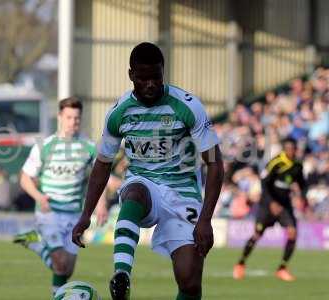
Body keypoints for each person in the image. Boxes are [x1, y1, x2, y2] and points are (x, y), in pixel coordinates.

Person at [72, 42, 224, 300]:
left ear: (163, 72)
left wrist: (206, 218)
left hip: (182, 193)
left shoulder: (187, 106)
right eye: (143, 78)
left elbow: (215, 164)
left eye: (156, 77)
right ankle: (122, 275)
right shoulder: (119, 113)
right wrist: (86, 214)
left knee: (190, 282)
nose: (151, 83)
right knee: (133, 191)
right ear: (131, 74)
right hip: (145, 183)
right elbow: (102, 164)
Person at [13, 97, 109, 296]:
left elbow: (97, 180)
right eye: (68, 117)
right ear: (59, 117)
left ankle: (35, 242)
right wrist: (38, 197)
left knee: (67, 270)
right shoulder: (44, 146)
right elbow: (25, 179)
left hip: (75, 215)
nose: (73, 121)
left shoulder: (89, 147)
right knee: (60, 263)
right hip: (49, 213)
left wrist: (101, 205)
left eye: (76, 118)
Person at [233, 137, 308, 281]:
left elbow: (303, 184)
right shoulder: (276, 163)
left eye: (293, 149)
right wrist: (271, 203)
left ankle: (282, 268)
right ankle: (240, 263)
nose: (291, 152)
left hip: (285, 205)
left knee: (292, 232)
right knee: (257, 235)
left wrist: (302, 197)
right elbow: (264, 184)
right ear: (284, 150)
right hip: (268, 205)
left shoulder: (298, 165)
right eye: (288, 149)